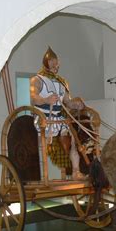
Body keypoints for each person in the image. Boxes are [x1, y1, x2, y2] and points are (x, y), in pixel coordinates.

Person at [29, 47, 86, 180]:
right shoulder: (37, 80)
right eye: (53, 61)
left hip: (59, 119)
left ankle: (76, 171)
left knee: (72, 141)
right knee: (39, 146)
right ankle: (37, 175)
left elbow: (67, 102)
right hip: (43, 119)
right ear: (46, 62)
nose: (56, 64)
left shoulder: (62, 82)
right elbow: (33, 98)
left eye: (57, 62)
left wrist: (76, 104)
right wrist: (45, 99)